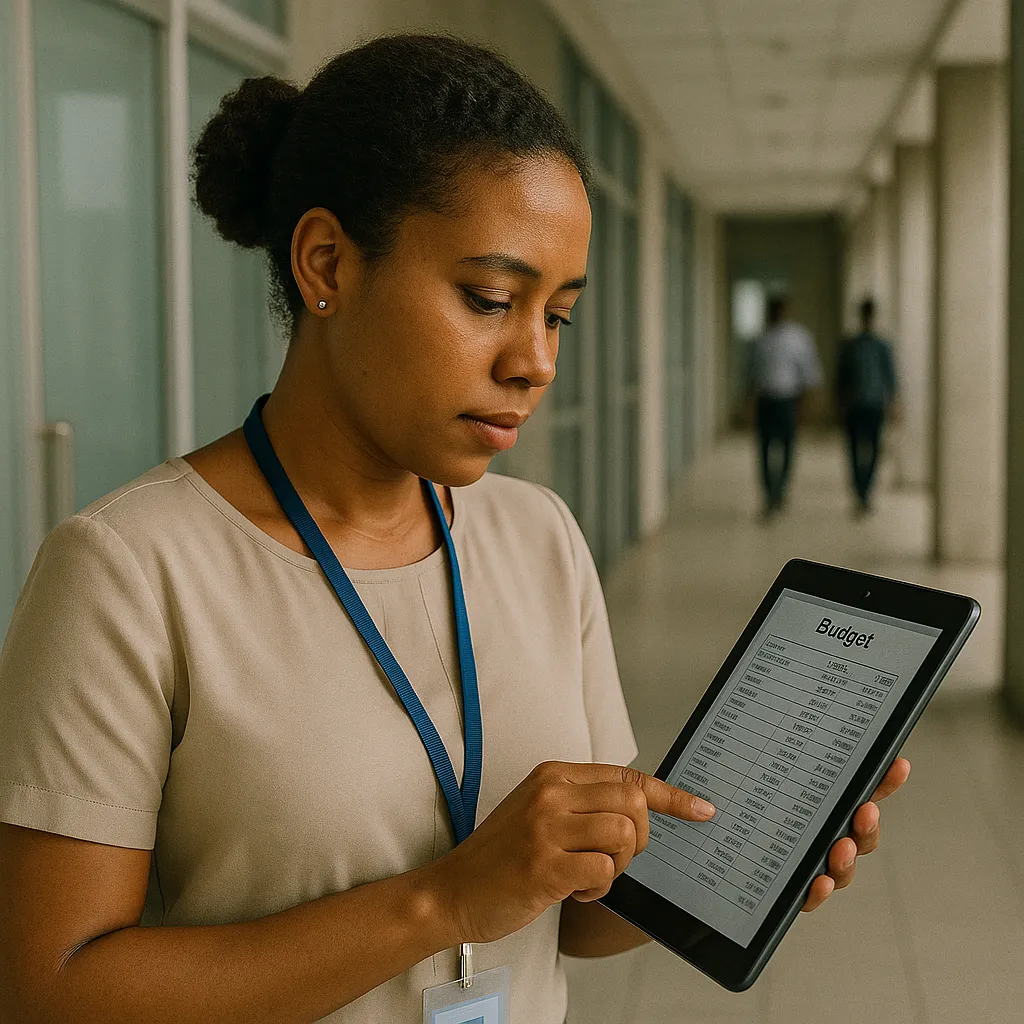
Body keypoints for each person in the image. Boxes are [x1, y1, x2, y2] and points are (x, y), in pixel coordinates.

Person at [0, 35, 908, 1024]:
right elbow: (50, 990)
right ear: (326, 263)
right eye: (489, 299)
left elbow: (570, 917)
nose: (535, 362)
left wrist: (743, 857)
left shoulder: (538, 538)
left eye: (557, 316)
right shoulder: (129, 571)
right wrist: (439, 901)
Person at [747, 294, 824, 517]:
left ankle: (781, 489)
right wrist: (749, 405)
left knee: (788, 448)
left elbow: (809, 374)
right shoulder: (760, 340)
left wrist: (806, 406)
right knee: (764, 449)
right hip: (766, 400)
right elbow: (750, 376)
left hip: (788, 399)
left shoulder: (798, 338)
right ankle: (768, 494)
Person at [837, 298, 899, 515]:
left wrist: (893, 403)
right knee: (854, 450)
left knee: (872, 450)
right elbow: (842, 376)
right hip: (855, 404)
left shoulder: (882, 346)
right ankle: (859, 490)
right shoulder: (851, 346)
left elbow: (890, 377)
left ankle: (866, 491)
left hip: (874, 404)